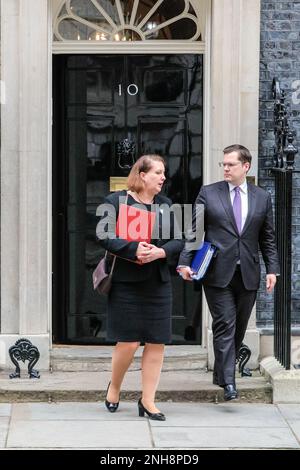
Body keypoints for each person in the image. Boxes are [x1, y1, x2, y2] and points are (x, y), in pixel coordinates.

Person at [177, 144, 279, 401]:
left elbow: (267, 238)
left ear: (245, 166)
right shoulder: (209, 193)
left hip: (248, 272)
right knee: (225, 324)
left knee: (239, 327)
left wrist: (272, 270)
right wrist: (184, 262)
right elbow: (194, 232)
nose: (225, 168)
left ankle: (221, 373)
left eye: (231, 164)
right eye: (223, 164)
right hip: (216, 273)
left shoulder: (261, 197)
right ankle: (230, 382)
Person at [96, 154, 183, 420]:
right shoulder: (116, 202)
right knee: (129, 342)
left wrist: (161, 252)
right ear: (142, 175)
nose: (163, 177)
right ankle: (115, 386)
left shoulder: (166, 204)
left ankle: (148, 401)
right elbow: (103, 234)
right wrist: (135, 248)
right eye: (158, 172)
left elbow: (179, 239)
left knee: (157, 342)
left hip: (157, 282)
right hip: (125, 283)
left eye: (164, 172)